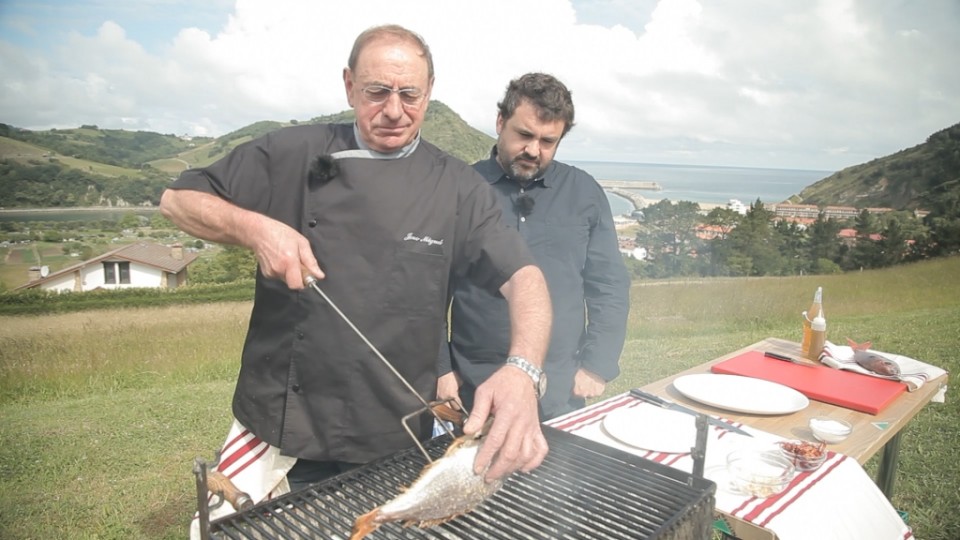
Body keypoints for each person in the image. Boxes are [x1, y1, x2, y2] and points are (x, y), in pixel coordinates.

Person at [161, 25, 551, 502]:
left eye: (410, 94)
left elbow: (525, 278)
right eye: (376, 91)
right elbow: (178, 200)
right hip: (281, 422)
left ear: (429, 92)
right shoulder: (292, 151)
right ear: (349, 86)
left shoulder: (457, 187)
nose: (394, 110)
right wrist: (258, 230)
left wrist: (523, 370)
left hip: (394, 431)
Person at [438, 73, 630, 421]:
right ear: (500, 122)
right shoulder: (461, 188)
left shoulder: (584, 193)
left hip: (559, 386)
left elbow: (608, 284)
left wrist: (597, 365)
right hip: (474, 382)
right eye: (524, 135)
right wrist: (441, 367)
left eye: (547, 141)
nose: (533, 150)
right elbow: (431, 286)